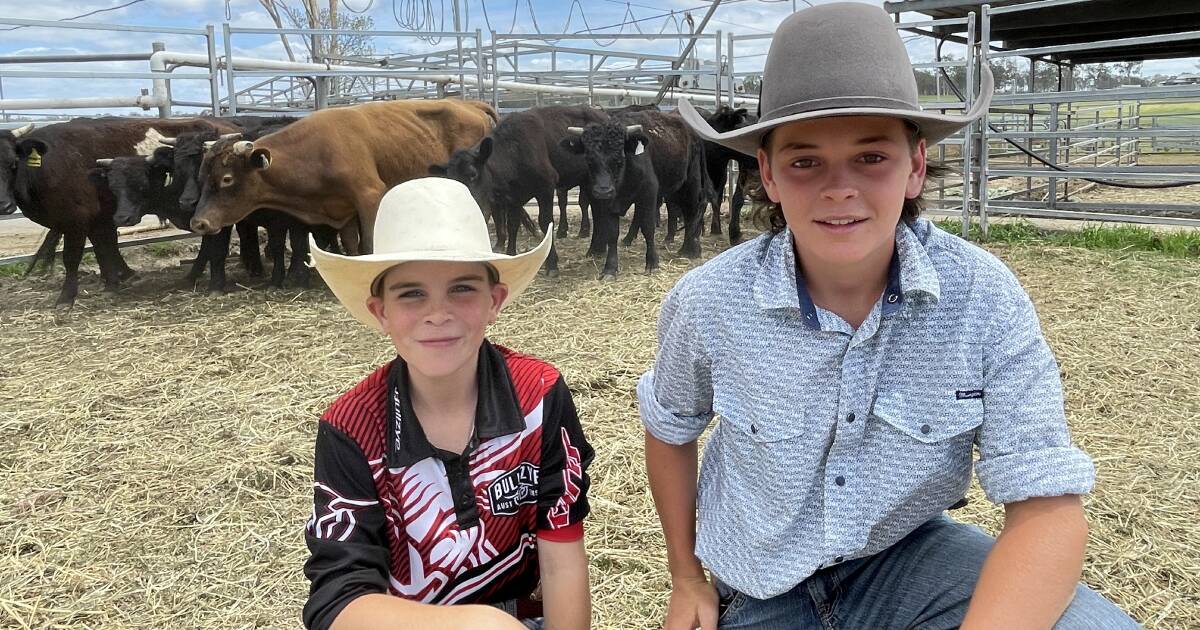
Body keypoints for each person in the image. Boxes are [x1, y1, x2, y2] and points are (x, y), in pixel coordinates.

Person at [638, 3, 1140, 629]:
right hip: (763, 585)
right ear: (766, 174)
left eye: (872, 157)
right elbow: (671, 425)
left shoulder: (981, 295)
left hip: (907, 558)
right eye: (804, 161)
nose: (838, 187)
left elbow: (1047, 505)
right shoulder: (709, 300)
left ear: (916, 166)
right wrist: (685, 576)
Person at [302, 178, 594, 630]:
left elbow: (562, 551)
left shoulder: (540, 393)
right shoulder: (350, 428)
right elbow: (337, 603)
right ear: (380, 312)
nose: (438, 313)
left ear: (494, 301)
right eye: (411, 293)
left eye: (462, 289)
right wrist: (480, 625)